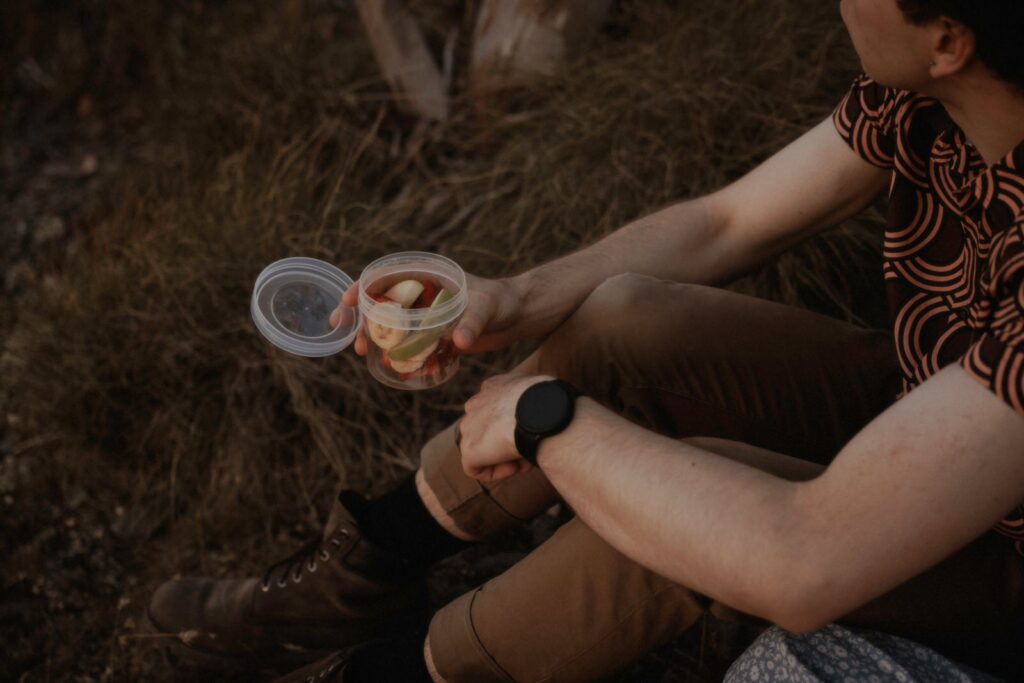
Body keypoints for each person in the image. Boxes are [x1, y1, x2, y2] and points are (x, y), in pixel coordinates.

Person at [146, 1, 1024, 680]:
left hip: (1001, 564)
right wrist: (512, 297)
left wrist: (550, 421)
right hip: (935, 405)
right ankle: (364, 572)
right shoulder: (932, 99)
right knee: (627, 316)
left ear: (947, 38)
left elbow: (799, 553)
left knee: (674, 525)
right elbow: (725, 223)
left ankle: (389, 672)